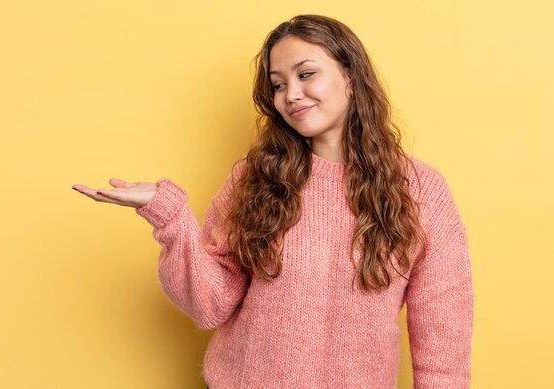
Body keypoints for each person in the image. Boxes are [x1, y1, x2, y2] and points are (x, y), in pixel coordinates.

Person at [72, 14, 473, 389]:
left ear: (351, 75)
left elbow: (444, 335)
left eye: (306, 75)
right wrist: (170, 217)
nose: (290, 96)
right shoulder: (257, 177)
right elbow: (209, 305)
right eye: (279, 84)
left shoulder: (421, 190)